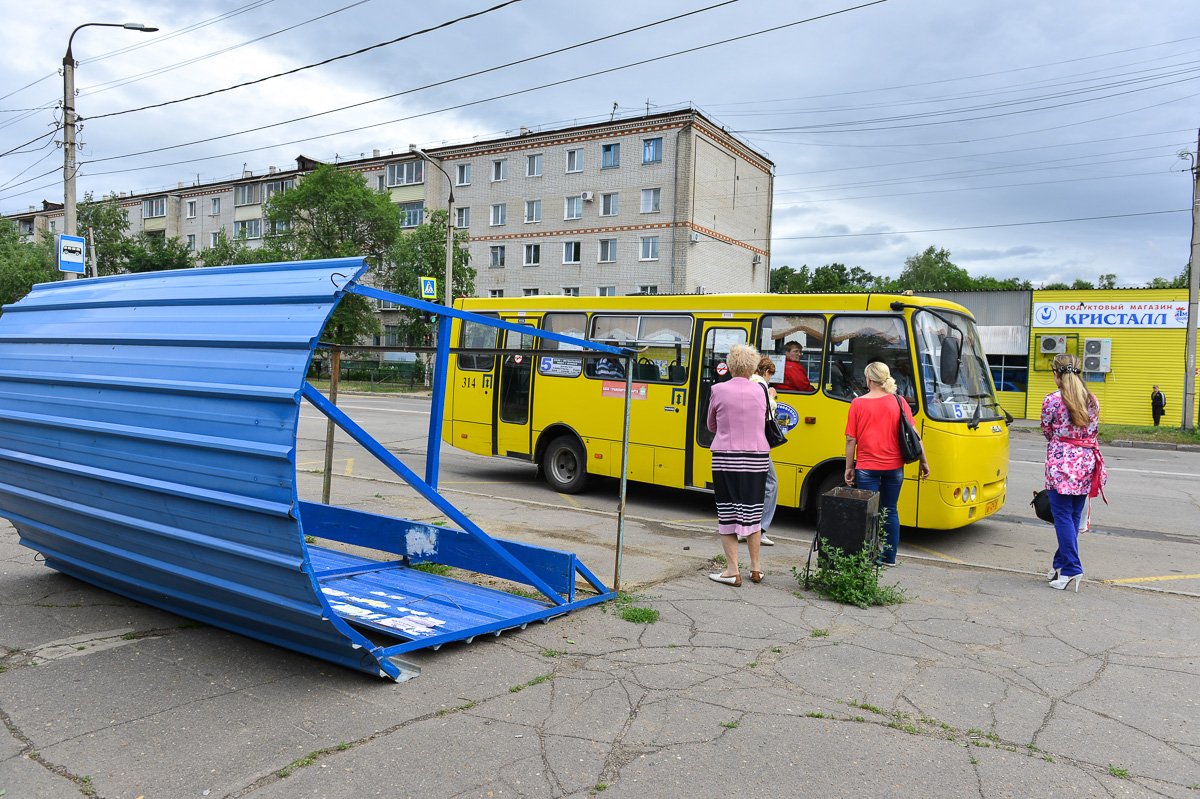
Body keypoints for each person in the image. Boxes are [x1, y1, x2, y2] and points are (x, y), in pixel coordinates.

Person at [843, 361, 930, 566]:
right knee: (890, 510)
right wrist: (923, 462)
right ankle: (889, 557)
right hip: (895, 467)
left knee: (869, 512)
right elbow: (915, 436)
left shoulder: (859, 404)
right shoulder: (900, 402)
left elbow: (850, 439)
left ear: (869, 379)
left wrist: (848, 467)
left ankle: (867, 557)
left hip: (867, 467)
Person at [706, 343, 769, 586]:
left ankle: (732, 570)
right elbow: (763, 421)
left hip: (727, 457)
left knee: (728, 511)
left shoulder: (718, 390)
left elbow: (711, 425)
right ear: (753, 367)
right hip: (756, 457)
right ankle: (756, 568)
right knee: (753, 511)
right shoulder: (761, 391)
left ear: (730, 366)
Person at [1042, 353, 1107, 591]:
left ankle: (1071, 569)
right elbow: (1093, 431)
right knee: (1071, 518)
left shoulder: (1052, 400)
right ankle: (1059, 565)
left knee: (1062, 517)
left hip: (1061, 465)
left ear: (1056, 374)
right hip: (1086, 463)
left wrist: (1063, 443)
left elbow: (1048, 432)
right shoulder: (1092, 400)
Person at [746, 356, 778, 547]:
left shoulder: (745, 382)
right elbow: (766, 411)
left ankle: (746, 527)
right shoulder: (760, 385)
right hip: (757, 443)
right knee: (771, 484)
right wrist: (772, 397)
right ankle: (760, 529)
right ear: (766, 372)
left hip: (745, 441)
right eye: (770, 376)